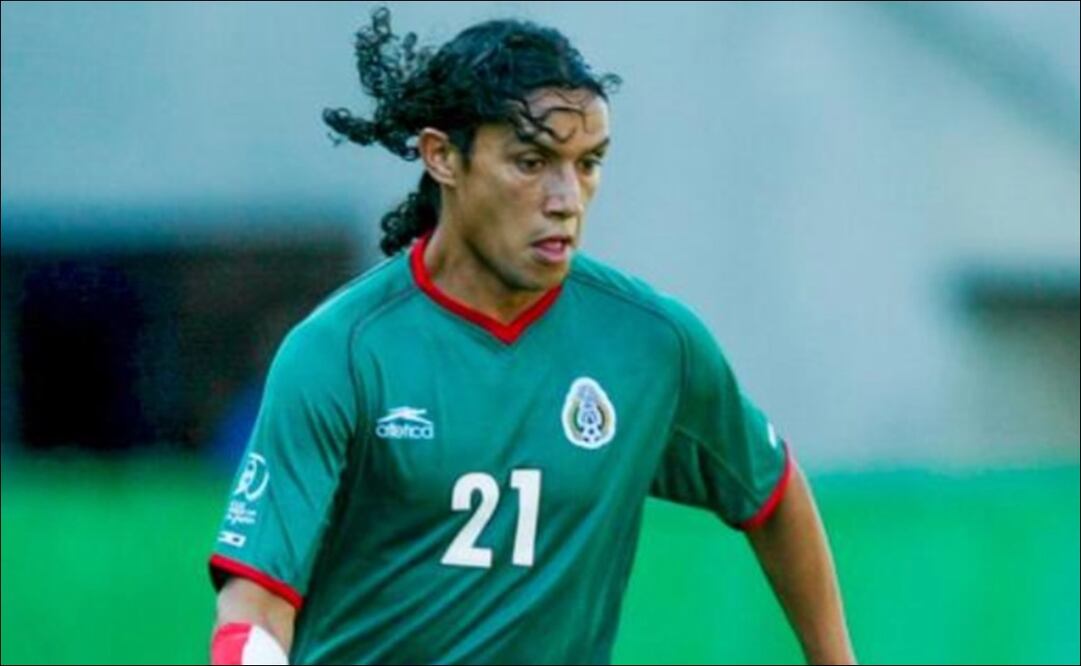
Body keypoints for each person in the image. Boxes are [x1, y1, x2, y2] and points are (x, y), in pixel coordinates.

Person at [207, 7, 855, 665]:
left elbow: (770, 490)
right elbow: (255, 600)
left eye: (588, 163)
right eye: (531, 160)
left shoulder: (651, 345)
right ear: (442, 157)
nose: (566, 197)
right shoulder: (341, 352)